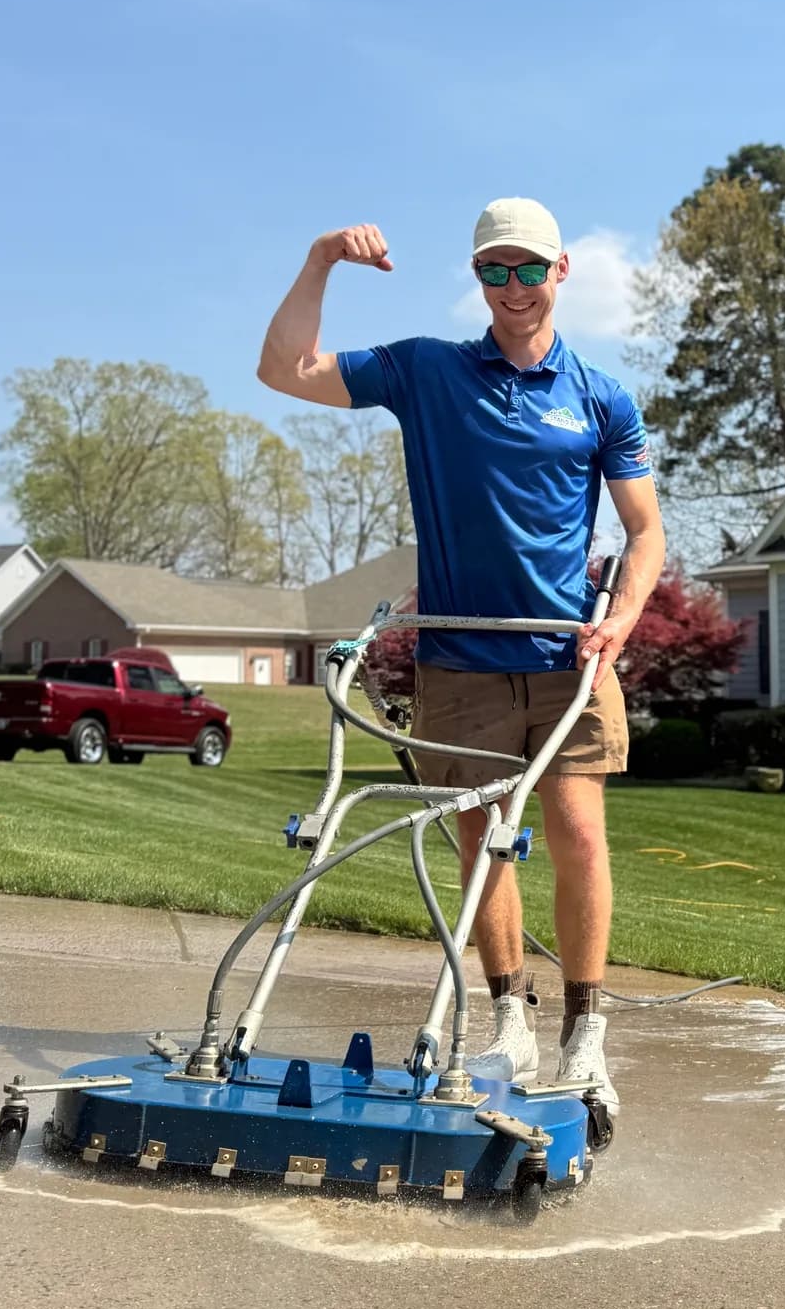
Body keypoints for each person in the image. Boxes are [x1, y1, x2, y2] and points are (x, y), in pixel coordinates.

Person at [257, 198, 664, 1112]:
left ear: (561, 272)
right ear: (477, 278)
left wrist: (621, 621)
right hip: (459, 663)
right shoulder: (428, 371)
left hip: (569, 660)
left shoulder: (601, 397)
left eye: (529, 269)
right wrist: (321, 257)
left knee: (579, 832)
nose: (513, 288)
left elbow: (646, 534)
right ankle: (509, 1022)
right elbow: (283, 368)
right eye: (495, 271)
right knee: (484, 845)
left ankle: (585, 1033)